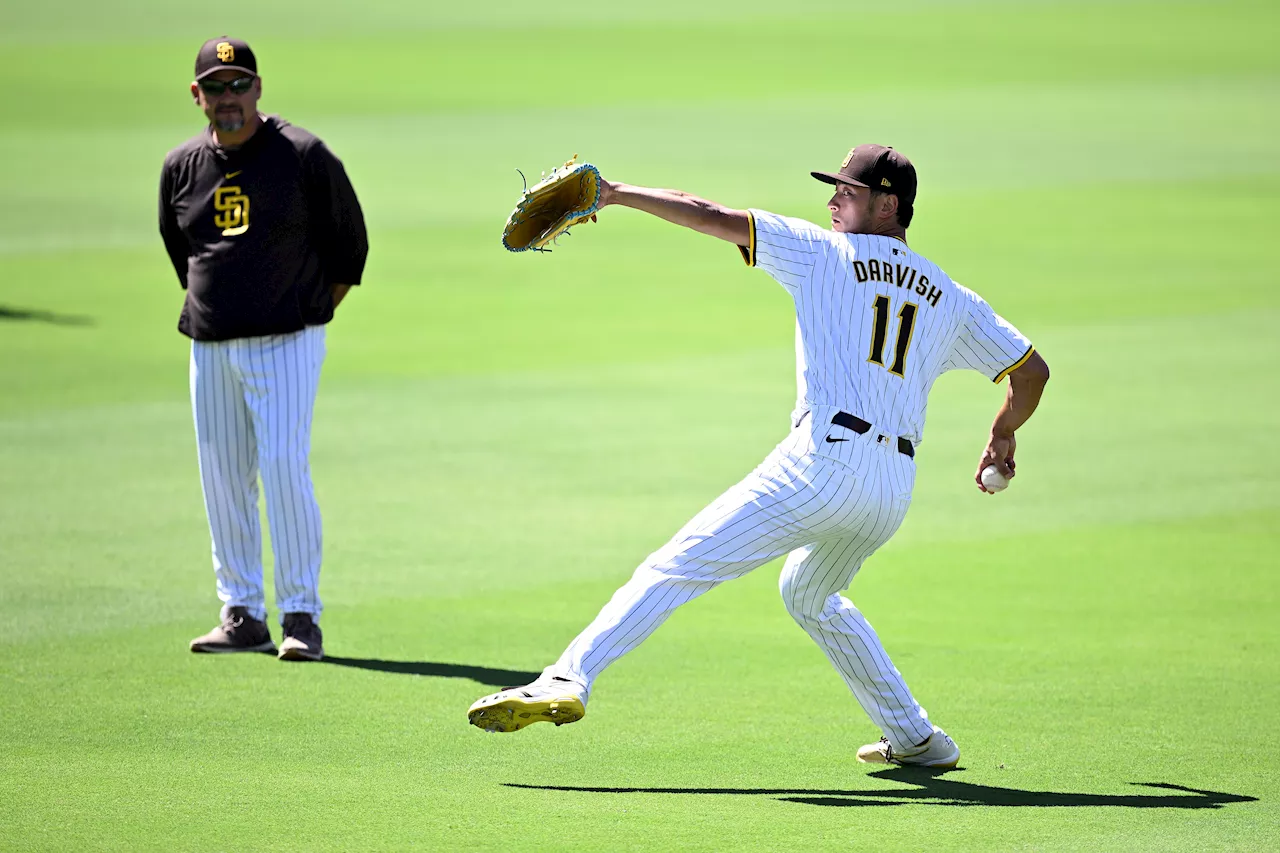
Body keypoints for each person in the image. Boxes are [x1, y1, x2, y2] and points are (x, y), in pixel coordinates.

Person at [467, 145, 1050, 767]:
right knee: (809, 592)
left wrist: (614, 193)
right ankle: (916, 739)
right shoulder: (950, 296)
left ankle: (567, 678)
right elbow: (1032, 371)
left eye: (846, 192)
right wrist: (1003, 433)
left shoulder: (822, 252)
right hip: (892, 490)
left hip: (822, 463)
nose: (831, 200)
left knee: (679, 563)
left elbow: (707, 212)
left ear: (888, 205)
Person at [158, 37, 368, 661]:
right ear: (198, 95)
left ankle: (301, 614)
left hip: (289, 341)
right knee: (222, 478)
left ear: (258, 88)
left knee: (282, 468)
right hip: (212, 346)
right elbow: (182, 249)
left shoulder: (301, 155)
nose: (229, 98)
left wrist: (308, 310)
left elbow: (349, 245)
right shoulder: (181, 165)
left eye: (239, 84)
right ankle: (242, 612)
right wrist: (218, 305)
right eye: (215, 87)